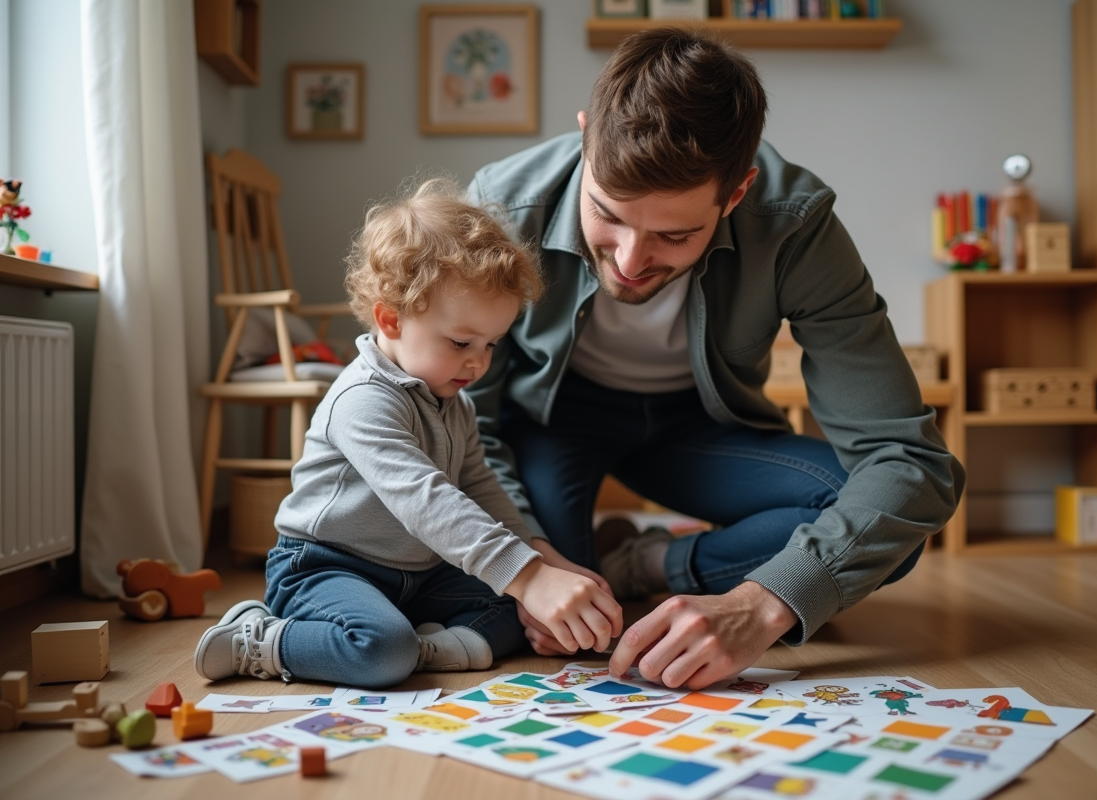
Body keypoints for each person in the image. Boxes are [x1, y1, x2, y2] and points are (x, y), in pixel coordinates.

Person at [465, 28, 966, 690]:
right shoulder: (499, 207)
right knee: (563, 622)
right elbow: (463, 420)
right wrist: (527, 559)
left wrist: (761, 606)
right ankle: (601, 559)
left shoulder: (794, 222)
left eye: (674, 234)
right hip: (551, 422)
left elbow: (911, 466)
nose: (630, 261)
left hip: (695, 425)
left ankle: (647, 565)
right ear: (586, 136)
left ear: (736, 193)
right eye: (607, 215)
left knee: (882, 536)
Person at [193, 179, 622, 688]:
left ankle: (415, 645)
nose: (478, 362)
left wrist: (543, 559)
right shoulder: (362, 400)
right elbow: (428, 501)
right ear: (390, 320)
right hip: (327, 568)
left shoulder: (451, 398)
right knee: (383, 650)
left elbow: (481, 486)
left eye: (491, 344)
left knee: (513, 608)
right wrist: (529, 577)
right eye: (462, 341)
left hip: (416, 575)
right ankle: (262, 639)